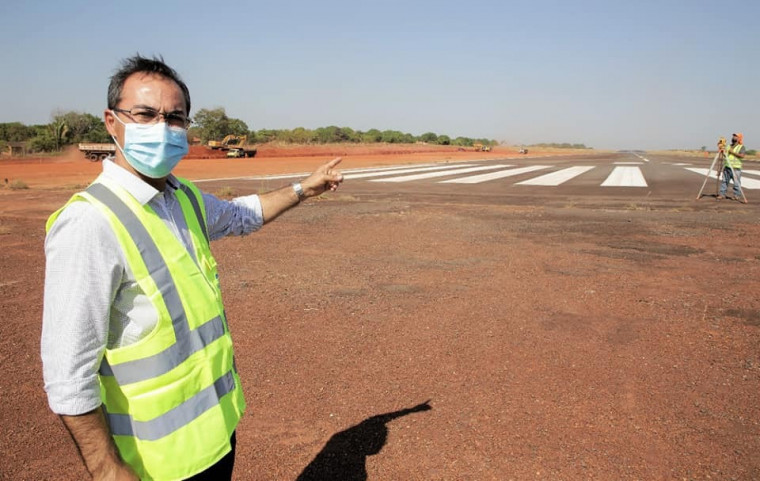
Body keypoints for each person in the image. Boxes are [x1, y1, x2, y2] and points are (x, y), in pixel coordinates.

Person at [41, 54, 343, 480]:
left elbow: (242, 215)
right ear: (112, 122)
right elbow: (67, 374)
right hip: (154, 465)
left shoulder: (183, 200)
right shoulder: (90, 223)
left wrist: (302, 189)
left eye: (175, 118)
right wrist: (107, 468)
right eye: (145, 114)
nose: (162, 129)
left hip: (216, 438)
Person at [718, 132, 746, 202]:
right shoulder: (728, 146)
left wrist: (732, 152)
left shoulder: (741, 147)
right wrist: (721, 150)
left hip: (736, 168)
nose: (733, 137)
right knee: (724, 181)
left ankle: (736, 195)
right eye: (733, 136)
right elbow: (725, 156)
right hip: (727, 167)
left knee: (736, 183)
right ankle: (722, 194)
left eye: (735, 136)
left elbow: (742, 156)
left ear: (739, 138)